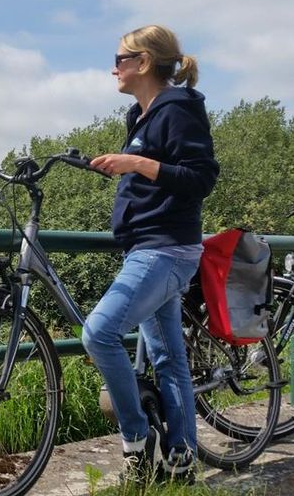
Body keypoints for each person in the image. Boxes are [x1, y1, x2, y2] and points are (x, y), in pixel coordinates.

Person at [82, 25, 219, 485]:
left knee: (99, 333)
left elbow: (201, 178)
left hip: (167, 249)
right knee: (168, 359)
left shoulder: (178, 109)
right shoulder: (139, 115)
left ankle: (137, 445)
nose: (113, 69)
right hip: (146, 248)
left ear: (143, 62)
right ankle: (181, 459)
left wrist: (136, 163)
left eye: (119, 60)